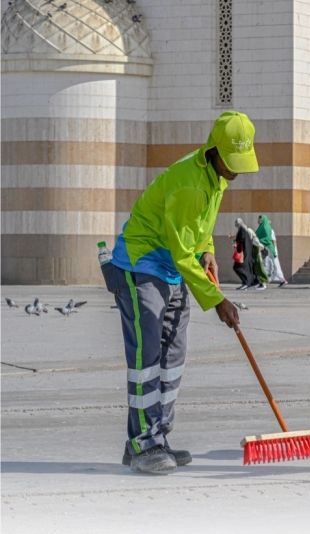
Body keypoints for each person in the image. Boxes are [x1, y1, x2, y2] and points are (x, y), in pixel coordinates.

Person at [102, 111, 255, 474]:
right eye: (231, 163)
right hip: (141, 268)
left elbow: (198, 232)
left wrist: (208, 252)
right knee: (147, 359)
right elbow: (179, 247)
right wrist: (217, 299)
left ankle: (158, 437)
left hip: (171, 270)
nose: (235, 171)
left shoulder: (216, 177)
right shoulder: (188, 182)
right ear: (214, 151)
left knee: (173, 358)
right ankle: (143, 444)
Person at [256, 215, 287, 287]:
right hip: (265, 249)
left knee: (274, 265)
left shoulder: (269, 229)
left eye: (260, 219)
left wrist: (274, 250)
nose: (258, 221)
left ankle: (281, 280)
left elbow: (272, 241)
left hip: (270, 249)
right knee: (267, 264)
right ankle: (266, 280)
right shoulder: (261, 228)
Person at [232, 218, 261, 290]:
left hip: (244, 254)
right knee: (243, 268)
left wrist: (235, 243)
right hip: (246, 253)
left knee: (237, 267)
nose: (235, 224)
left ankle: (246, 282)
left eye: (236, 223)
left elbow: (241, 240)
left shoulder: (242, 230)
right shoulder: (243, 229)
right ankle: (247, 282)